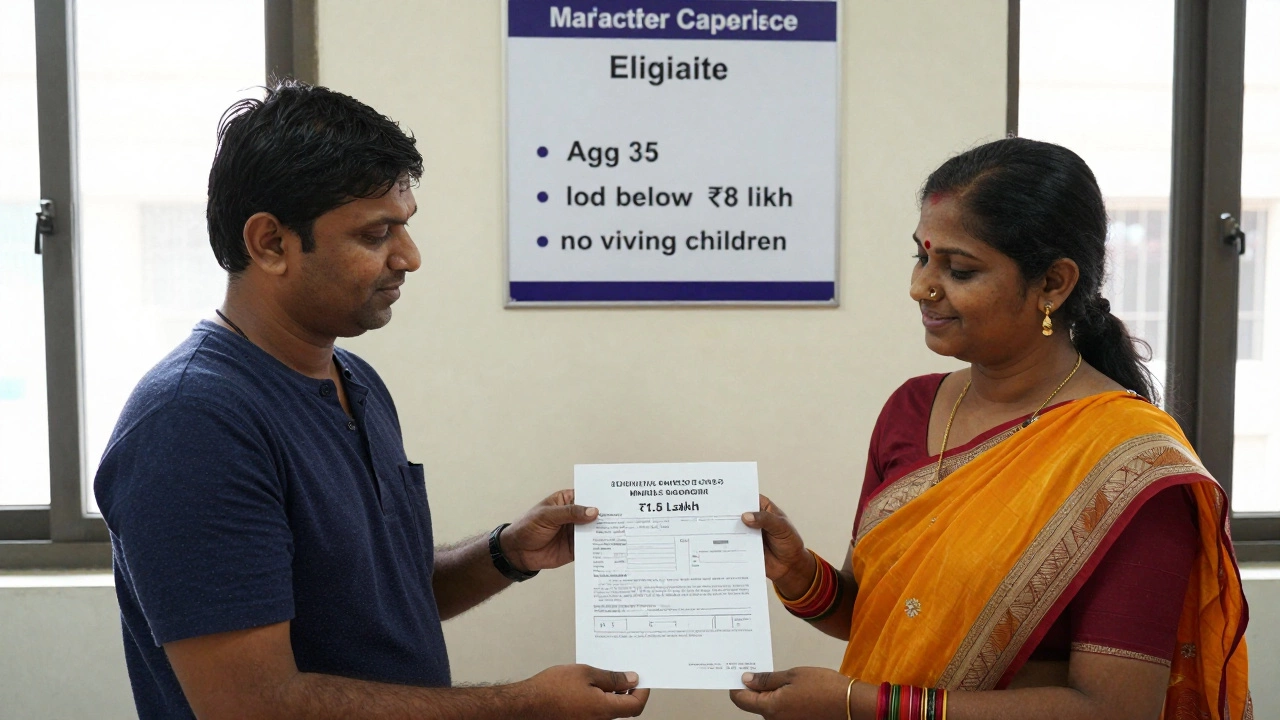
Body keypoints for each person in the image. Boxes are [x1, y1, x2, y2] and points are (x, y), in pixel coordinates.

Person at [94, 80, 648, 720]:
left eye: (404, 227)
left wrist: (505, 553)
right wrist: (524, 705)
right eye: (376, 234)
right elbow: (253, 705)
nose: (409, 257)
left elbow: (379, 599)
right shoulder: (192, 423)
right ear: (270, 243)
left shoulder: (354, 380)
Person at [729, 138, 1251, 720]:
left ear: (1053, 283)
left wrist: (861, 705)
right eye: (921, 258)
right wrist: (798, 572)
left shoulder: (1130, 465)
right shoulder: (911, 409)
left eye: (959, 270)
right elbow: (877, 615)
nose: (921, 287)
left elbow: (1115, 708)